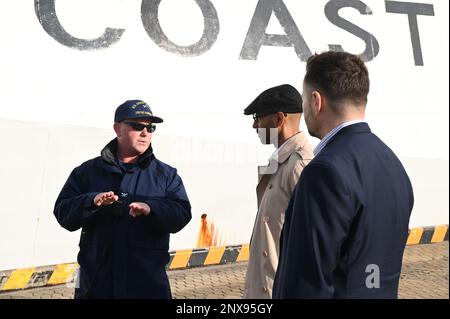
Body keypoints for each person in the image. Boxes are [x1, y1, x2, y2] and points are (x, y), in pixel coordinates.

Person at [273, 51, 414, 298]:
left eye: (304, 100)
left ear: (316, 102)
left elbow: (306, 281)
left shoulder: (324, 172)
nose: (304, 109)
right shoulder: (393, 165)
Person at [54, 99, 192, 299]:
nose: (145, 132)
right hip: (96, 288)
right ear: (117, 128)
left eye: (150, 127)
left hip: (147, 289)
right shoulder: (87, 172)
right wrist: (92, 201)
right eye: (137, 126)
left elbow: (182, 214)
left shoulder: (166, 175)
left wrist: (151, 208)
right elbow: (63, 212)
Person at [242, 84, 314, 298]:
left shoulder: (301, 165)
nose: (255, 125)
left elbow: (311, 243)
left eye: (257, 117)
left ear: (278, 119)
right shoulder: (282, 161)